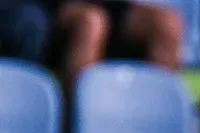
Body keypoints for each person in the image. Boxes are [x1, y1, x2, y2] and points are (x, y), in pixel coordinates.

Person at [47, 0, 183, 87]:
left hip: (109, 6)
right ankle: (80, 121)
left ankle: (152, 121)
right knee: (91, 23)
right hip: (51, 8)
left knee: (166, 24)